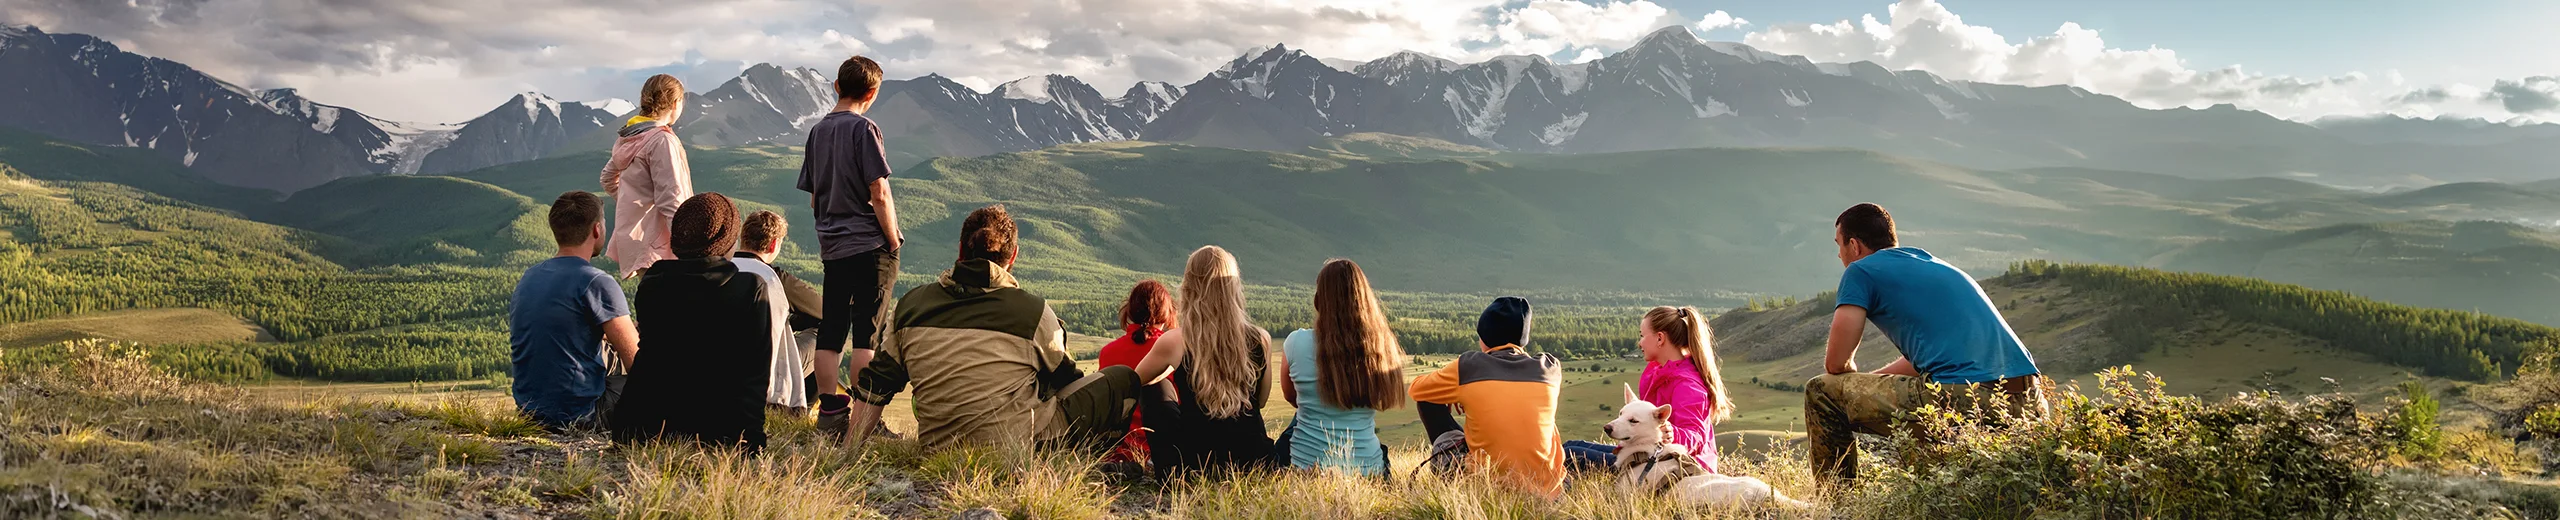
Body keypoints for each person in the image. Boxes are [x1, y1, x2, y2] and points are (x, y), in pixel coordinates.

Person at [839, 205, 1144, 455]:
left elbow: (875, 386)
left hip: (937, 450)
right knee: (1122, 378)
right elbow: (1066, 379)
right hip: (1018, 449)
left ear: (960, 249)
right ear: (1013, 257)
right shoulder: (1033, 311)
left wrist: (849, 454)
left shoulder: (911, 305)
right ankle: (1102, 464)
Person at [1806, 202, 2046, 485]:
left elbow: (1836, 364)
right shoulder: (1937, 266)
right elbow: (1933, 359)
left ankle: (1836, 507)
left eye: (1839, 245)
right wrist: (1871, 384)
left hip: (1965, 397)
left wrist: (1852, 388)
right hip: (2030, 404)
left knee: (1821, 391)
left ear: (1855, 246)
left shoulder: (1861, 271)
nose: (1839, 254)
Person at [608, 193, 777, 451]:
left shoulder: (653, 284)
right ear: (726, 238)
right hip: (717, 431)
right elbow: (755, 374)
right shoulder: (749, 288)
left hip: (640, 426)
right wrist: (749, 442)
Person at [805, 56, 906, 439]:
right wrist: (892, 237)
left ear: (836, 86)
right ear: (873, 92)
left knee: (832, 329)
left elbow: (814, 198)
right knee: (867, 333)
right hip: (869, 243)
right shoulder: (865, 129)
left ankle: (829, 413)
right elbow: (878, 190)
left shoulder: (817, 132)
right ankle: (866, 421)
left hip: (833, 245)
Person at [1132, 246, 1278, 476]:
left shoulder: (1176, 341)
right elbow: (1260, 399)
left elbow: (1133, 381)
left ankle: (1167, 468)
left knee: (1155, 388)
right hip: (1255, 458)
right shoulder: (1261, 338)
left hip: (1199, 461)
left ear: (1189, 287)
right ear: (1234, 288)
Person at [506, 191, 642, 430]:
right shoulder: (596, 282)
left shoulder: (529, 277)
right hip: (581, 416)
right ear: (597, 230)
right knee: (654, 380)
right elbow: (638, 362)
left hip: (529, 413)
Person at [1408, 296, 1565, 496]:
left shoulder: (1469, 367)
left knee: (1427, 400)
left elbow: (1417, 390)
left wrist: (1457, 393)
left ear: (1484, 337)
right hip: (1548, 492)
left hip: (1486, 487)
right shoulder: (1549, 368)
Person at [1273, 259, 1407, 478]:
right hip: (1369, 470)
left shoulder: (1296, 342)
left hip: (1305, 466)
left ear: (1319, 299)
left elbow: (1291, 396)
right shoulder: (1382, 345)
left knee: (1300, 418)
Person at [1561, 306, 1733, 472]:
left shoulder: (1687, 385)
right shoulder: (1658, 372)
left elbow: (1697, 439)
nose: (1639, 342)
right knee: (1570, 446)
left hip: (1678, 468)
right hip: (1653, 455)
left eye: (1642, 336)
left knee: (1569, 454)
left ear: (1660, 338)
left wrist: (1674, 433)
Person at [599, 74, 695, 279]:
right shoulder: (661, 141)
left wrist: (634, 204)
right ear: (676, 103)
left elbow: (607, 178)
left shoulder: (628, 137)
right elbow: (672, 197)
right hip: (663, 244)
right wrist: (686, 245)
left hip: (638, 243)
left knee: (651, 304)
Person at [731, 210, 817, 414]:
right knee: (827, 334)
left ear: (742, 239)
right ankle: (803, 408)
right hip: (766, 378)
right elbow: (823, 311)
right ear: (773, 245)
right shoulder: (775, 278)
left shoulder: (722, 268)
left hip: (728, 370)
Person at [1095, 280, 1175, 466]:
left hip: (1118, 450)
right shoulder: (1173, 350)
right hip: (1162, 450)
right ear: (1166, 313)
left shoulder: (1108, 352)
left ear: (1130, 310)